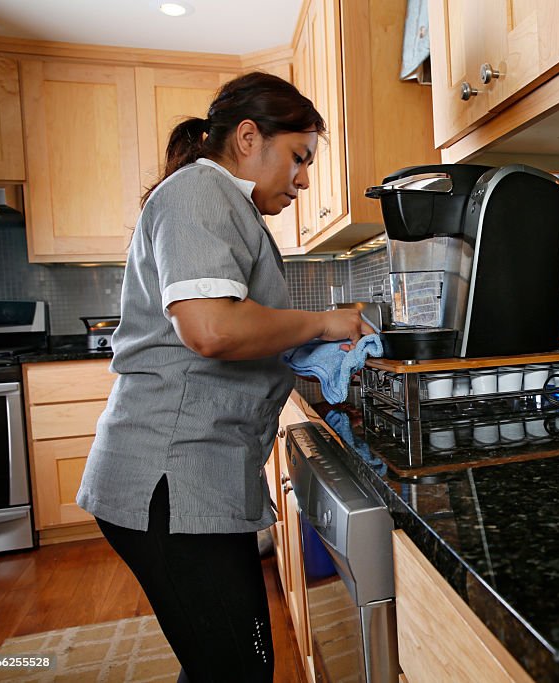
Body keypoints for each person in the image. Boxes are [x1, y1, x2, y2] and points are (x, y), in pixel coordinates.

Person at [76, 72, 372, 683]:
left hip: (193, 483)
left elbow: (236, 329)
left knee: (223, 662)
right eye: (299, 157)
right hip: (170, 481)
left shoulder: (223, 203)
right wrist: (319, 324)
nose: (305, 179)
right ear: (246, 137)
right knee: (238, 669)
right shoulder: (198, 194)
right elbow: (211, 328)